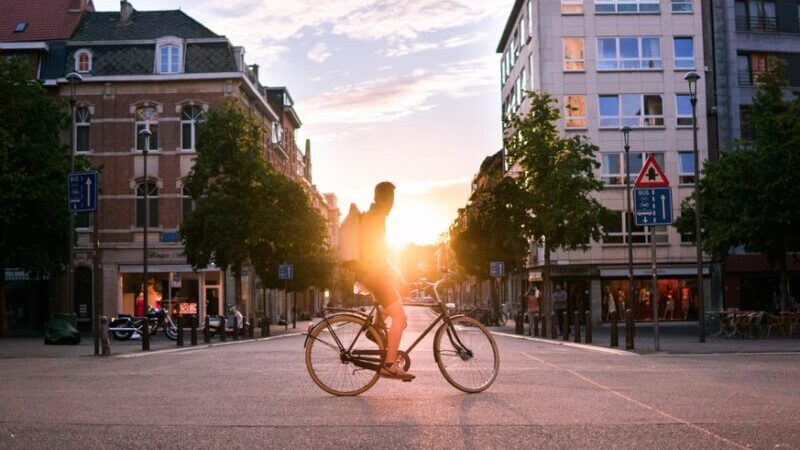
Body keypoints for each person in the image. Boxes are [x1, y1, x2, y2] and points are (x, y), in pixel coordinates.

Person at [357, 182, 414, 381]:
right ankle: (390, 364)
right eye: (390, 199)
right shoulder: (377, 217)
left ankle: (374, 328)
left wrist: (397, 275)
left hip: (369, 272)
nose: (392, 204)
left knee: (394, 308)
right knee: (399, 316)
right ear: (384, 199)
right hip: (373, 274)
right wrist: (397, 276)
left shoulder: (371, 214)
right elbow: (377, 254)